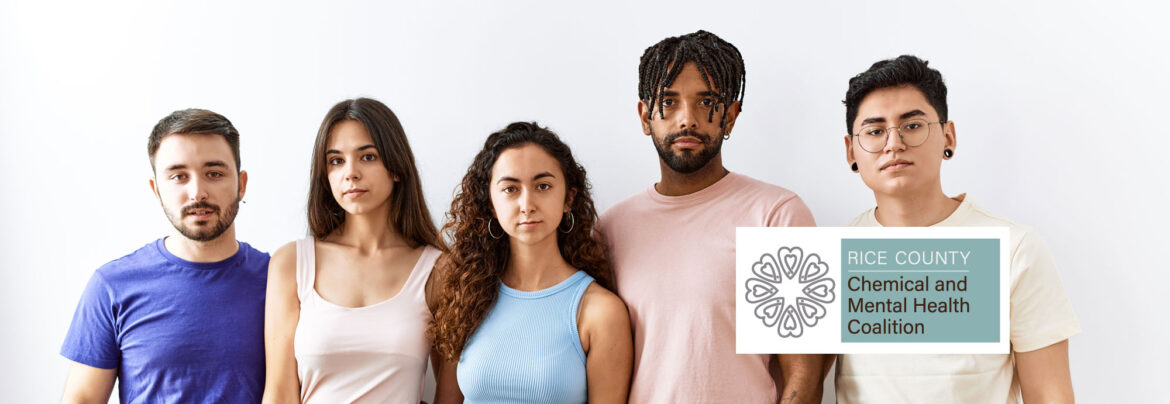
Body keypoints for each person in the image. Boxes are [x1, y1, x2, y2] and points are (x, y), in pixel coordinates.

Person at [836, 55, 1080, 403]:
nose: (894, 143)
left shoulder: (1012, 248)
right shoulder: (832, 256)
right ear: (851, 152)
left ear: (948, 136)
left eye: (913, 125)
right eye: (875, 131)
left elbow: (1050, 393)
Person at [596, 30, 823, 403]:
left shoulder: (777, 215)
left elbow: (805, 371)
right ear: (644, 115)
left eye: (706, 102)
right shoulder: (611, 228)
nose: (688, 119)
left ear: (730, 116)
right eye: (669, 102)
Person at [60, 109, 268, 403]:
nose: (197, 192)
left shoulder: (280, 281)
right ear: (156, 189)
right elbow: (82, 399)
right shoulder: (112, 286)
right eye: (179, 176)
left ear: (241, 183)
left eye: (214, 173)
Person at [428, 122, 633, 403]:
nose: (527, 204)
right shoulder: (465, 295)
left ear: (568, 198)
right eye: (511, 189)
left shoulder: (599, 311)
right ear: (490, 203)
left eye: (543, 186)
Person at [262, 98, 448, 404]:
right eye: (336, 160)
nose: (351, 173)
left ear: (397, 168)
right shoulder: (292, 263)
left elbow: (450, 395)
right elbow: (279, 394)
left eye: (368, 156)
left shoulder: (438, 269)